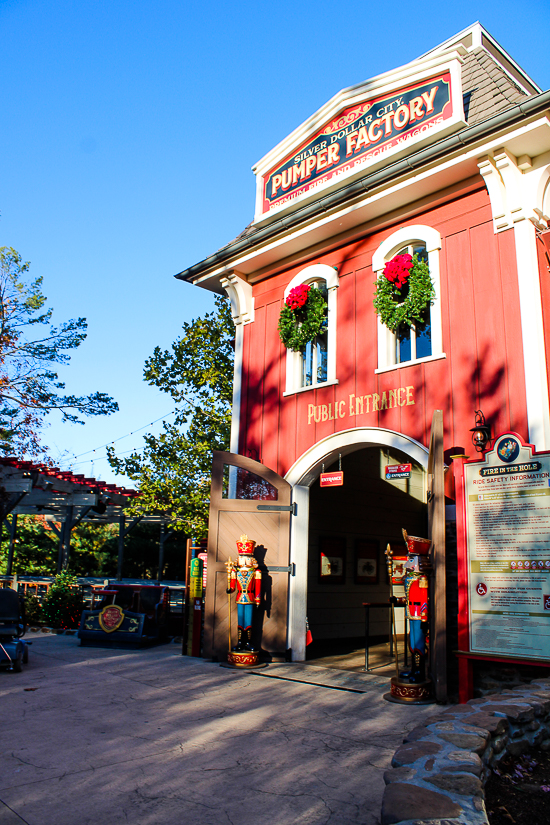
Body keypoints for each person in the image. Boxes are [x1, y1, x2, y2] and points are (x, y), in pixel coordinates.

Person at [226, 535, 262, 651]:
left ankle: (249, 643)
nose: (244, 560)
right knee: (240, 620)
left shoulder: (256, 572)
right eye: (242, 557)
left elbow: (258, 587)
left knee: (248, 620)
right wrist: (230, 589)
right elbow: (232, 585)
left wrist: (258, 599)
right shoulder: (235, 571)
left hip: (250, 597)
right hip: (240, 596)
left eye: (247, 557)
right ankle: (240, 642)